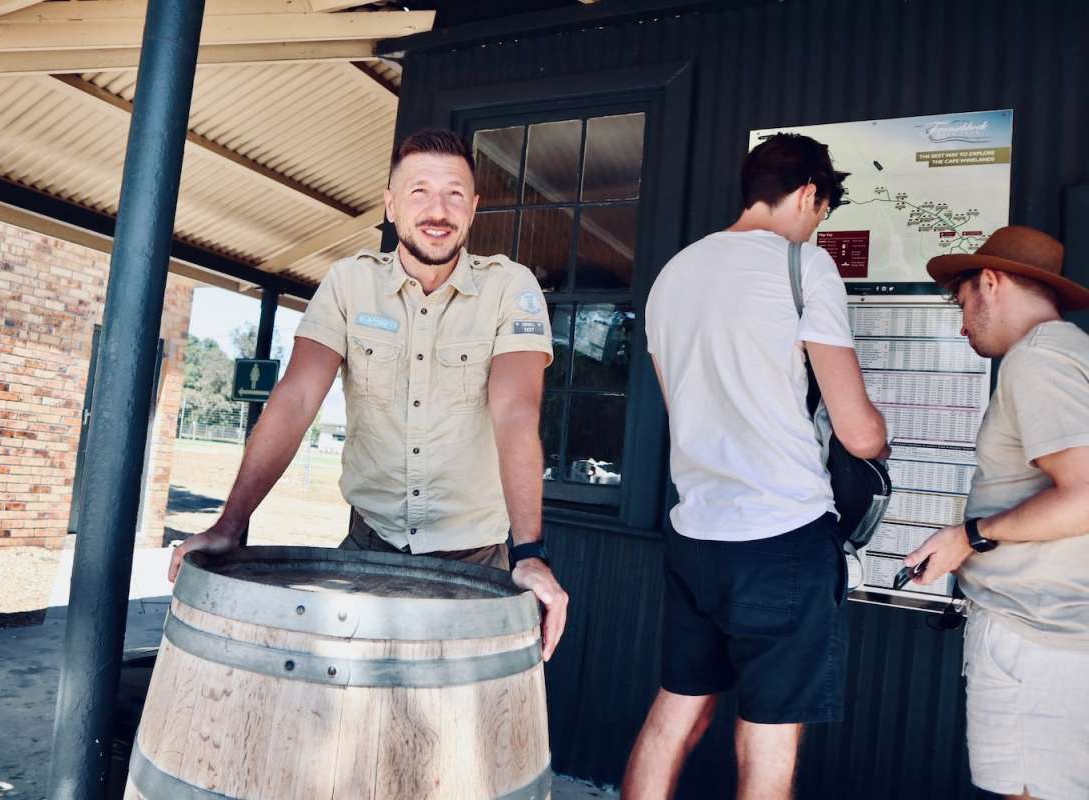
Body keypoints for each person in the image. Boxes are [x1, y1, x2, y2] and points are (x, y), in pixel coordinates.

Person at [168, 128, 569, 661]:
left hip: (477, 558)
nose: (437, 209)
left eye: (454, 194)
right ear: (390, 204)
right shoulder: (347, 284)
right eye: (419, 191)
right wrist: (230, 523)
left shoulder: (509, 288)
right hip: (367, 546)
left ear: (473, 209)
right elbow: (296, 399)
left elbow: (516, 413)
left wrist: (531, 552)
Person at [624, 133, 887, 799]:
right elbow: (857, 434)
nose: (816, 225)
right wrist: (880, 437)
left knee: (678, 710)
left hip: (695, 534)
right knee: (769, 735)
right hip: (782, 536)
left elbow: (686, 406)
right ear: (806, 194)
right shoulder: (806, 267)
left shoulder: (673, 276)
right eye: (820, 211)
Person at [904, 225, 1089, 800]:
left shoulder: (1037, 361)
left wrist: (972, 536)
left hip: (1034, 639)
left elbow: (1085, 494)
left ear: (990, 281)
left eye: (962, 304)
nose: (961, 324)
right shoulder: (1075, 351)